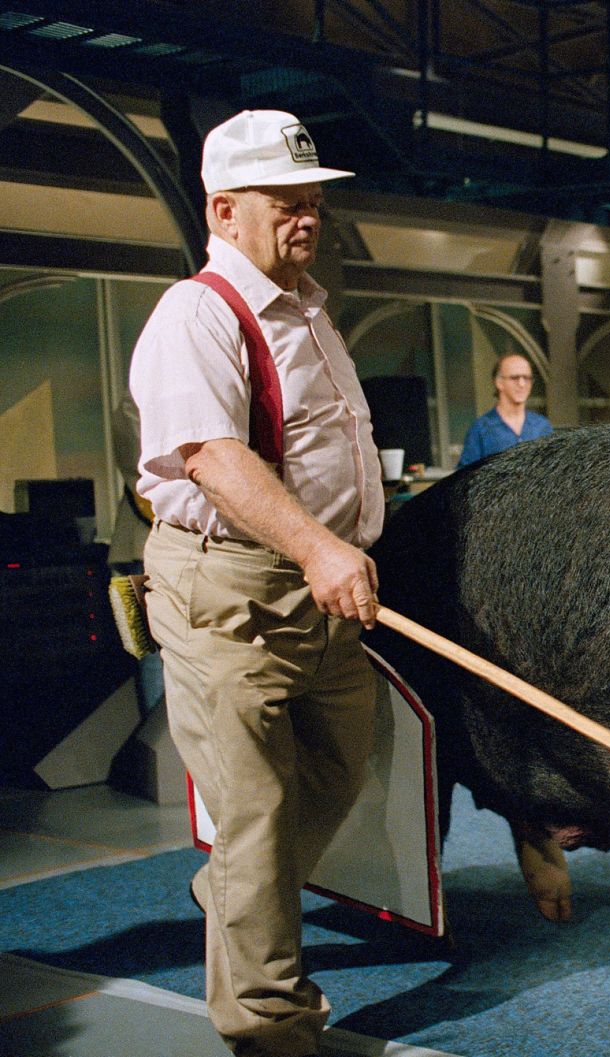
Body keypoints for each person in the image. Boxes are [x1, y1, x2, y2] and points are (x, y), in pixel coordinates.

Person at [131, 109, 382, 1057]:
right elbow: (212, 456)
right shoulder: (195, 313)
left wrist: (334, 550)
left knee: (337, 770)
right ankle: (270, 1029)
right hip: (227, 594)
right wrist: (322, 549)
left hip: (316, 593)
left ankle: (237, 889)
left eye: (313, 199)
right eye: (286, 201)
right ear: (224, 209)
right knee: (258, 810)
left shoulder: (308, 309)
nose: (306, 215)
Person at [457, 353, 552, 467]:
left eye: (527, 378)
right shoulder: (481, 429)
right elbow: (465, 477)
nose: (522, 384)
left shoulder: (541, 426)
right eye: (514, 378)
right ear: (499, 383)